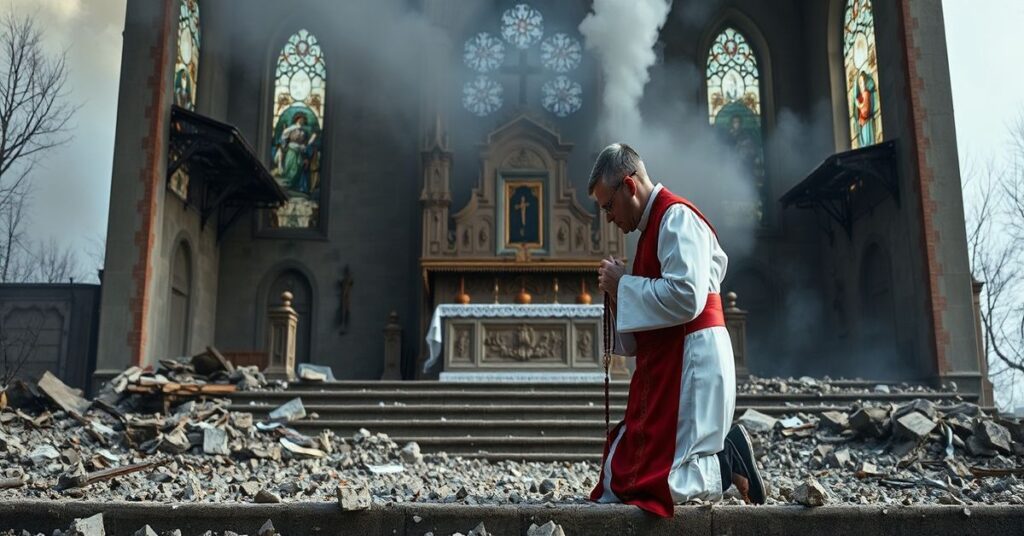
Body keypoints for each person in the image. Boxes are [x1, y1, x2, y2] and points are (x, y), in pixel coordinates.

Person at [588, 143, 767, 517]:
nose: (608, 217)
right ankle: (723, 458)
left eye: (608, 206)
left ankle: (727, 458)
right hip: (673, 357)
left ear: (630, 187)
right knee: (622, 474)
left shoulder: (676, 218)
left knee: (657, 483)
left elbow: (687, 296)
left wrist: (624, 285)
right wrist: (622, 290)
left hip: (693, 360)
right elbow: (655, 310)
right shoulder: (652, 228)